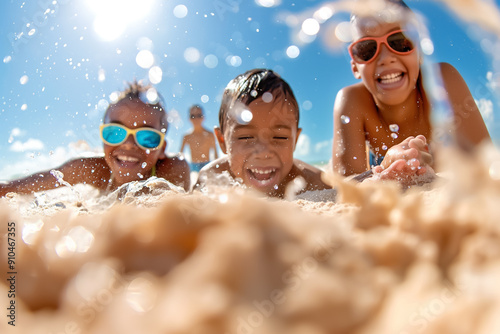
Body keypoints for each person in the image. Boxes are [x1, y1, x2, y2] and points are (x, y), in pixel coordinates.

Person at [332, 0, 491, 179]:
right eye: (367, 49)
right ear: (355, 66)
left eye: (400, 42)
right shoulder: (352, 101)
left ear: (420, 51)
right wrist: (386, 164)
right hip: (377, 163)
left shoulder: (442, 81)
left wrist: (431, 165)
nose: (386, 58)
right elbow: (345, 185)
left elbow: (485, 162)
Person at [0, 81, 190, 196]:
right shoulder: (89, 170)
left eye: (147, 137)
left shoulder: (173, 171)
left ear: (162, 149)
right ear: (103, 138)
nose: (129, 144)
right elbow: (12, 189)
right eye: (115, 133)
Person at [193, 69, 331, 198]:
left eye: (280, 137)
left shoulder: (315, 185)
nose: (264, 152)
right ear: (222, 141)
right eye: (245, 137)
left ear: (295, 140)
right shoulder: (211, 179)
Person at [180, 105, 218, 173]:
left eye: (199, 115)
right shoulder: (187, 136)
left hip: (207, 165)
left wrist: (217, 169)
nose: (196, 119)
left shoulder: (209, 134)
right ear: (189, 118)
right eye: (193, 116)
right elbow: (180, 156)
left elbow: (215, 154)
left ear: (203, 118)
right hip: (193, 167)